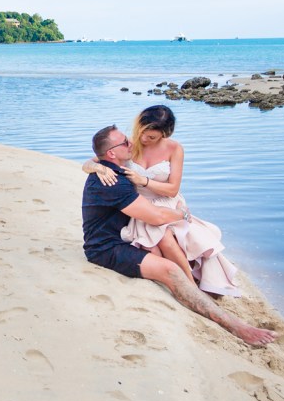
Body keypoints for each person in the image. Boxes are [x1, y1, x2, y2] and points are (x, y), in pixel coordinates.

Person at [82, 124, 276, 347]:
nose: (131, 144)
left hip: (128, 236)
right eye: (125, 142)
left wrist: (92, 165)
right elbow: (154, 216)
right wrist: (181, 213)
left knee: (174, 238)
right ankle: (237, 327)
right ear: (112, 153)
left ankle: (202, 287)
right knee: (171, 271)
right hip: (106, 248)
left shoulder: (113, 169)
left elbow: (95, 160)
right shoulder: (111, 182)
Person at [82, 105, 241, 297]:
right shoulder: (129, 145)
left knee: (176, 235)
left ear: (164, 135)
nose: (144, 140)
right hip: (141, 204)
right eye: (143, 133)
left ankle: (194, 281)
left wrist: (144, 180)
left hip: (167, 200)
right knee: (162, 236)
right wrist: (99, 168)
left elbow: (173, 189)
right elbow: (95, 158)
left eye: (152, 137)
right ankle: (189, 284)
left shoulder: (174, 148)